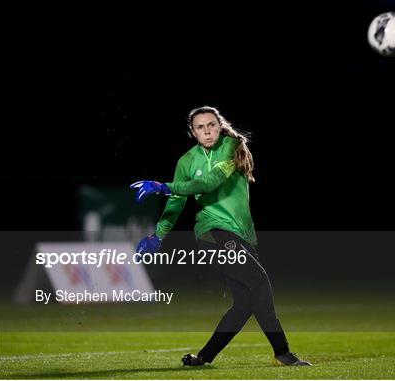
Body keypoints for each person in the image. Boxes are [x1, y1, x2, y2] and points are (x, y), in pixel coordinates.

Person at [130, 106, 311, 366]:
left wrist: (163, 187)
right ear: (192, 132)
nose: (207, 131)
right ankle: (282, 353)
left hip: (243, 235)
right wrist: (158, 236)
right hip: (212, 233)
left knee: (245, 303)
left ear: (219, 125)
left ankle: (203, 358)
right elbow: (176, 204)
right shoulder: (186, 161)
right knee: (259, 283)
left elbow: (210, 182)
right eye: (200, 127)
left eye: (211, 125)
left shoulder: (231, 146)